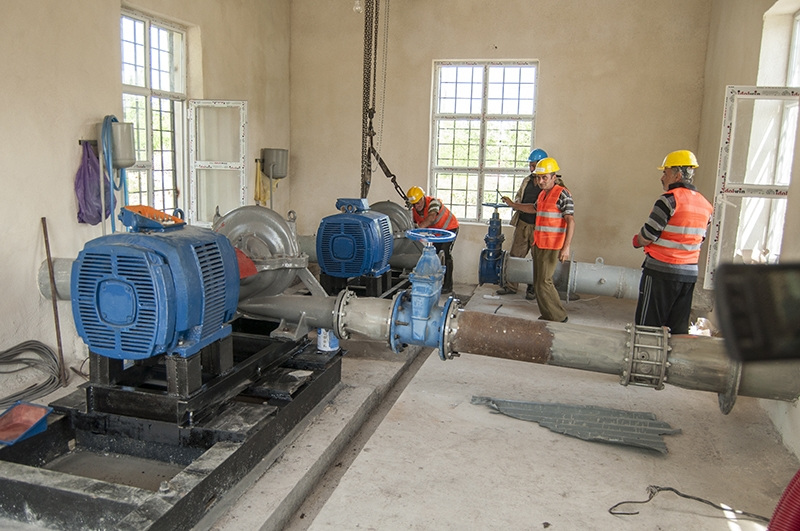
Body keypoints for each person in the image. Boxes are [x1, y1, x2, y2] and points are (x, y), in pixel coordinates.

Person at [632, 150, 713, 335]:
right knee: (678, 329)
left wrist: (637, 241)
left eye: (665, 172)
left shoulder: (669, 200)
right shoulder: (705, 205)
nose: (662, 177)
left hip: (661, 272)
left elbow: (649, 234)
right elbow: (700, 238)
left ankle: (645, 354)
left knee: (647, 326)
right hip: (688, 275)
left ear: (677, 175)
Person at [503, 157, 574, 322]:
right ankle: (548, 314)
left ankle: (559, 316)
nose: (541, 181)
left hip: (552, 245)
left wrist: (566, 247)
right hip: (539, 243)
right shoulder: (543, 194)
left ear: (554, 177)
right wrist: (514, 205)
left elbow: (571, 221)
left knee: (544, 281)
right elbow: (533, 208)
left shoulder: (563, 194)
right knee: (538, 282)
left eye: (544, 177)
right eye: (538, 177)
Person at [497, 148, 548, 298]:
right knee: (515, 256)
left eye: (534, 165)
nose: (531, 169)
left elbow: (536, 208)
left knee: (537, 259)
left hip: (540, 227)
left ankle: (533, 288)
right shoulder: (527, 181)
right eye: (530, 165)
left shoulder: (551, 185)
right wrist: (515, 202)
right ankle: (511, 285)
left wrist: (514, 204)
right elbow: (520, 196)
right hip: (523, 223)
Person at [407, 186, 460, 294]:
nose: (416, 206)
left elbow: (431, 218)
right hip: (437, 233)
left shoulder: (433, 202)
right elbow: (410, 222)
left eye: (418, 203)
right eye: (414, 204)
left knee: (445, 253)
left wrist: (418, 228)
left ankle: (448, 285)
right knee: (433, 255)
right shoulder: (414, 210)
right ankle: (432, 283)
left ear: (423, 198)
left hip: (450, 228)